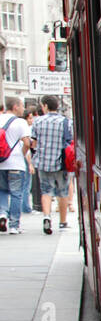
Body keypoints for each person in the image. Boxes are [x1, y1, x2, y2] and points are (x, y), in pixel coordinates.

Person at [32, 95, 73, 233]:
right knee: (62, 192)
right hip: (62, 163)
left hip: (43, 162)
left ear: (44, 106)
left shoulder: (38, 122)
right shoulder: (66, 122)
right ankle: (62, 222)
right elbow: (71, 141)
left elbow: (34, 142)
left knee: (46, 191)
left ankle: (47, 217)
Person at [0, 96, 33, 234]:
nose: (23, 109)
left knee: (1, 191)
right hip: (15, 164)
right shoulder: (20, 122)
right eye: (21, 106)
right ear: (15, 107)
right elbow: (27, 143)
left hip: (0, 163)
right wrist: (22, 153)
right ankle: (14, 225)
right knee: (16, 194)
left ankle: (2, 214)